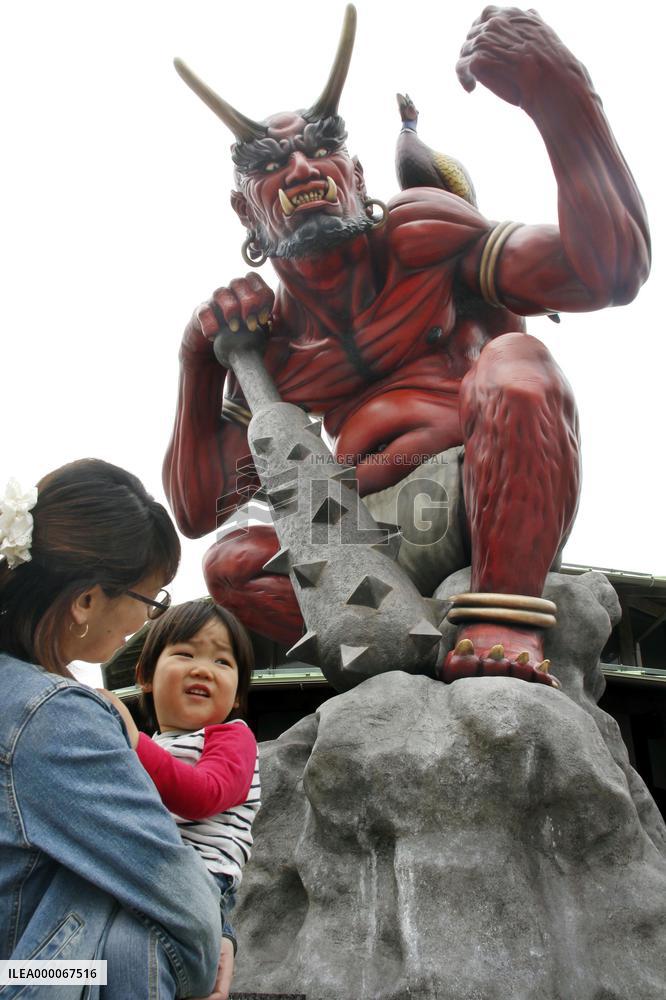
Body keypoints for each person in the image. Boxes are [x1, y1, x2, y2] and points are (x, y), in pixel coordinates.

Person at [164, 5, 650, 687]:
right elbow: (197, 512)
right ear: (248, 212)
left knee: (516, 366)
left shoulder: (421, 242)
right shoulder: (269, 346)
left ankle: (502, 617)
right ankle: (409, 647)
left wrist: (561, 93)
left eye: (321, 148)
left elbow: (605, 271)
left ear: (356, 175)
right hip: (366, 544)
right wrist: (196, 363)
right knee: (233, 562)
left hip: (484, 496)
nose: (303, 167)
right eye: (272, 164)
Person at [0, 459, 223, 999]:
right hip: (25, 978)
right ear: (86, 600)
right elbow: (182, 901)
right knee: (131, 943)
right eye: (150, 603)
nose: (141, 625)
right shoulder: (53, 718)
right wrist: (211, 947)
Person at [104, 600, 260, 1000]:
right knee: (89, 963)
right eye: (185, 653)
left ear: (238, 695)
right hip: (137, 879)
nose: (203, 668)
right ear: (145, 676)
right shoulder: (149, 747)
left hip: (200, 880)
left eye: (223, 662)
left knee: (136, 954)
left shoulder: (231, 737)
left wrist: (132, 740)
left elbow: (202, 795)